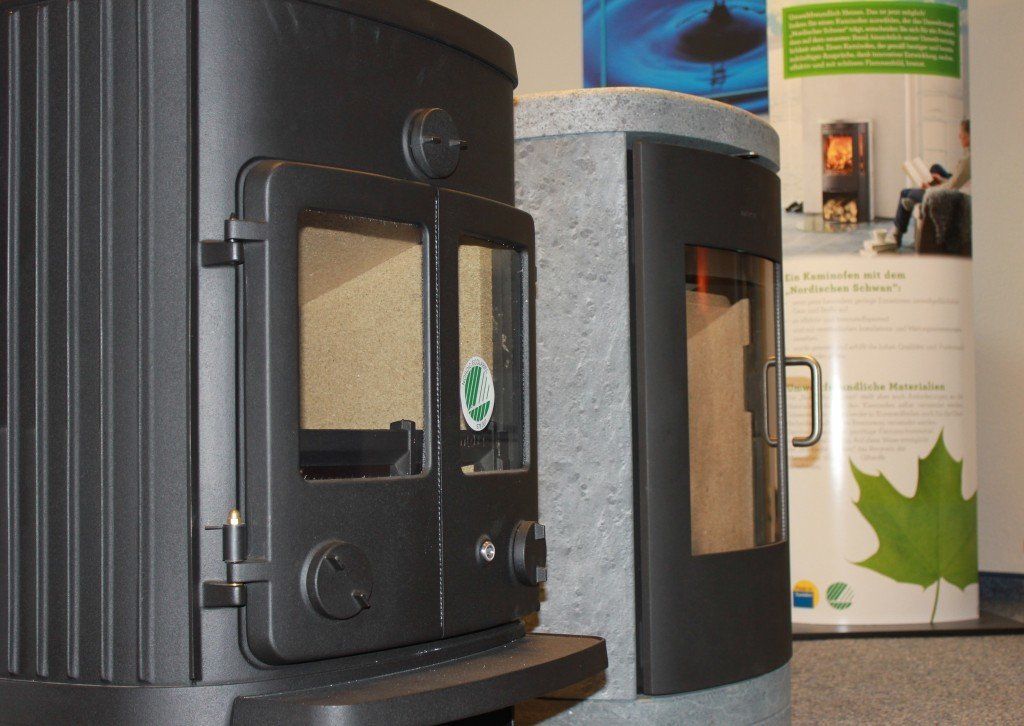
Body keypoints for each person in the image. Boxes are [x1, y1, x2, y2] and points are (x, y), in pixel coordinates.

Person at [891, 119, 971, 247]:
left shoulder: (968, 160)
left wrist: (929, 189)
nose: (959, 136)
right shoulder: (969, 156)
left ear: (969, 136)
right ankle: (916, 199)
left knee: (905, 193)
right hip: (955, 188)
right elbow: (957, 181)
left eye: (962, 133)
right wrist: (941, 179)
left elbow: (952, 187)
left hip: (951, 195)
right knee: (935, 168)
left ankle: (896, 236)